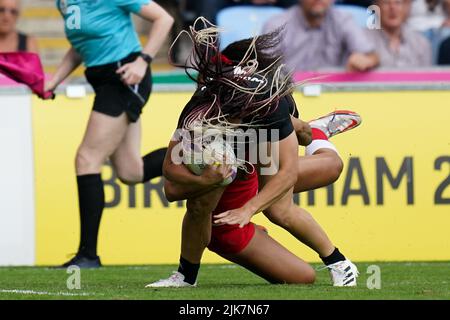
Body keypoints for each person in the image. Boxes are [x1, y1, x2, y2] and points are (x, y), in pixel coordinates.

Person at [146, 21, 359, 287]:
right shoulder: (199, 114)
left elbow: (288, 172)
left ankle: (314, 133)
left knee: (316, 179)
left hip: (256, 171)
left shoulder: (268, 104)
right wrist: (207, 179)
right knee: (302, 277)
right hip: (233, 200)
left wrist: (249, 208)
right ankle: (185, 276)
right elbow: (171, 188)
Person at [44, 0, 174, 268]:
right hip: (104, 81)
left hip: (125, 78)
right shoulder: (64, 2)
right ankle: (198, 155)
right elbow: (80, 47)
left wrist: (143, 61)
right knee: (130, 172)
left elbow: (164, 19)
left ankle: (88, 255)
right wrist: (54, 80)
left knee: (86, 158)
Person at [261, 0, 379, 72]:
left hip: (334, 94)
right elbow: (263, 69)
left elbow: (372, 56)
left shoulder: (344, 20)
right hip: (287, 94)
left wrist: (366, 60)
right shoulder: (276, 24)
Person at [365, 0, 432, 68]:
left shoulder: (421, 43)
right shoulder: (363, 39)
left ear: (408, 7)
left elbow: (426, 77)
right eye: (386, 2)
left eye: (398, 2)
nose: (392, 8)